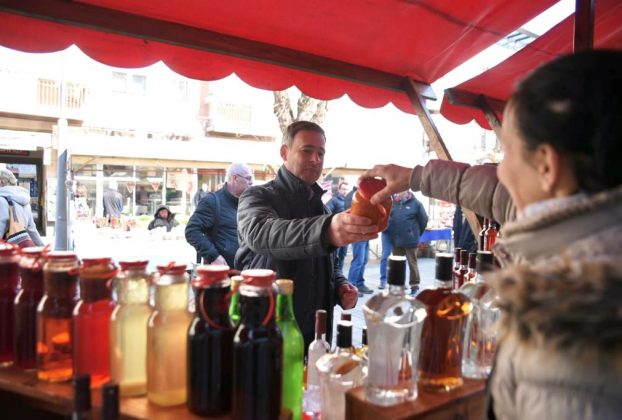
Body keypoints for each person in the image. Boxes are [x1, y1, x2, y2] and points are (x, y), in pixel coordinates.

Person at [363, 50, 622, 419]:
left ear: (547, 166)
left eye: (507, 153)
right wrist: (417, 176)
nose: (501, 170)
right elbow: (497, 194)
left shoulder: (568, 320)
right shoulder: (597, 236)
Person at [235, 121, 377, 349]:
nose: (315, 159)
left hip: (317, 336)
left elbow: (331, 265)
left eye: (321, 153)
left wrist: (340, 287)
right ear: (285, 152)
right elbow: (262, 233)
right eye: (307, 150)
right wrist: (326, 230)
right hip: (269, 330)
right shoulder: (257, 196)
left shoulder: (323, 209)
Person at [185, 162, 253, 267]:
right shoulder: (212, 201)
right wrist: (214, 256)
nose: (251, 182)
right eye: (248, 178)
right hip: (223, 272)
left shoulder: (249, 202)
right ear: (235, 178)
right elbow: (191, 231)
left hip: (247, 270)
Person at [384, 190, 428, 295]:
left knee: (412, 264)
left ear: (406, 190)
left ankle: (414, 287)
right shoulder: (394, 202)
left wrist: (415, 234)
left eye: (401, 190)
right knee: (397, 264)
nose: (398, 192)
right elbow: (389, 218)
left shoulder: (416, 203)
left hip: (410, 241)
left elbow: (424, 220)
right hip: (396, 240)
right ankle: (398, 286)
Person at [0, 169, 43, 246]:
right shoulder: (25, 200)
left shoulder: (2, 200)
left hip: (7, 247)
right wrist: (41, 246)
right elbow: (31, 229)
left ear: (1, 182)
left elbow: (1, 227)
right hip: (20, 247)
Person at [326, 181, 349, 270]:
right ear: (339, 189)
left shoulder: (349, 200)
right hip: (337, 233)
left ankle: (340, 274)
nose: (345, 191)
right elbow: (326, 212)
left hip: (346, 233)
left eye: (346, 189)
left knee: (342, 255)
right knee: (335, 257)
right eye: (343, 189)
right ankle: (333, 275)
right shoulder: (334, 200)